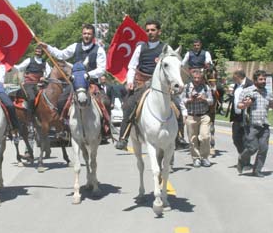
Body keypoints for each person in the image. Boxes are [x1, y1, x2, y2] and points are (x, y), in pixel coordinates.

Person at [115, 20, 185, 150]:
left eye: (153, 30)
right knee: (129, 105)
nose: (150, 33)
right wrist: (130, 81)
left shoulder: (166, 48)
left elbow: (173, 67)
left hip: (161, 86)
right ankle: (123, 138)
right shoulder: (140, 47)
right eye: (148, 30)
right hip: (142, 83)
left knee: (176, 107)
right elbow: (131, 66)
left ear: (159, 31)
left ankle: (180, 137)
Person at [39, 24, 112, 135]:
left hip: (91, 83)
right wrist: (47, 47)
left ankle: (105, 128)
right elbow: (61, 54)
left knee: (105, 101)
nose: (86, 35)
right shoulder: (75, 46)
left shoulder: (99, 50)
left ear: (93, 35)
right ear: (82, 34)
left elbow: (101, 69)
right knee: (61, 101)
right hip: (76, 84)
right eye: (84, 33)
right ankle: (64, 127)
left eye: (89, 34)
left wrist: (86, 75)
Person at [237, 70, 273, 177]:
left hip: (264, 125)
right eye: (261, 79)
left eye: (264, 79)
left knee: (264, 148)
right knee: (252, 148)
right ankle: (242, 159)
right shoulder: (247, 91)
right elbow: (239, 105)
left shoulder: (267, 92)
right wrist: (245, 104)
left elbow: (272, 103)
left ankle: (257, 170)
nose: (263, 81)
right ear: (255, 80)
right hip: (251, 125)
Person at [180, 69, 214, 167]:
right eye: (195, 78)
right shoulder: (186, 88)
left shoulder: (206, 87)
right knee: (192, 139)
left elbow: (211, 101)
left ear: (201, 78)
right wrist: (190, 99)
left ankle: (204, 157)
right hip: (191, 116)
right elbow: (182, 101)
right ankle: (196, 158)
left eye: (199, 78)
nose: (197, 80)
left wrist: (204, 99)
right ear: (192, 78)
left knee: (205, 136)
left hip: (204, 115)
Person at [12, 44, 51, 126]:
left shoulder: (45, 63)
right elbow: (19, 67)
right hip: (29, 84)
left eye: (40, 51)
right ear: (35, 51)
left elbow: (49, 72)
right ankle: (29, 119)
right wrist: (10, 65)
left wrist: (45, 77)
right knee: (32, 98)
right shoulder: (29, 60)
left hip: (40, 85)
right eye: (37, 50)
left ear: (42, 52)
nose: (38, 52)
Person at [229, 69, 254, 165]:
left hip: (246, 116)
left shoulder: (250, 85)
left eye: (233, 76)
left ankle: (246, 162)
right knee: (236, 139)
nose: (232, 78)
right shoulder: (237, 85)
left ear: (238, 76)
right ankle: (243, 156)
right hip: (236, 116)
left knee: (245, 139)